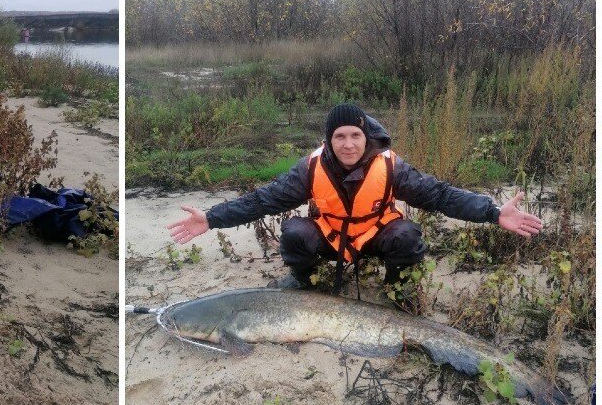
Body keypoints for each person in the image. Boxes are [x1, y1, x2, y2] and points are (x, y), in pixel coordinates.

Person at [167, 103, 543, 301]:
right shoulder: (309, 168)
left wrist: (493, 213)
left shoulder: (391, 166)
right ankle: (302, 282)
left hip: (375, 237)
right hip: (332, 238)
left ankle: (399, 289)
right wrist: (212, 218)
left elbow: (440, 195)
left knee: (408, 236)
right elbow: (263, 199)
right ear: (329, 140)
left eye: (354, 136)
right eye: (339, 137)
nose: (348, 144)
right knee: (294, 232)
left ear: (367, 137)